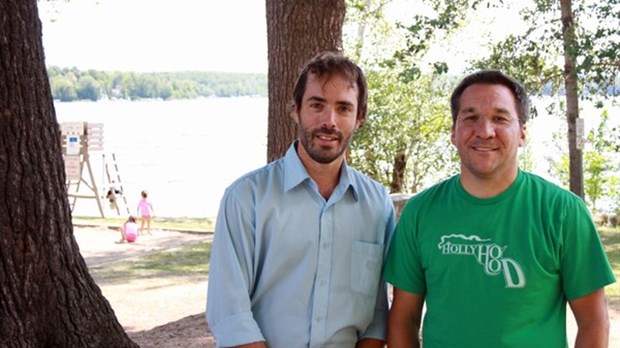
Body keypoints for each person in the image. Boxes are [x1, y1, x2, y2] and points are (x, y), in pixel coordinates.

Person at [383, 70, 616, 347]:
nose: (485, 131)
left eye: (500, 118)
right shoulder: (420, 212)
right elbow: (403, 319)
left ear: (522, 134)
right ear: (454, 133)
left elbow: (594, 321)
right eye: (470, 118)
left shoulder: (563, 212)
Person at [206, 51, 395, 348]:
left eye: (343, 108)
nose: (329, 121)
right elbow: (231, 314)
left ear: (359, 118)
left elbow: (377, 314)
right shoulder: (245, 198)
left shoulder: (378, 205)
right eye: (317, 105)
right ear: (295, 109)